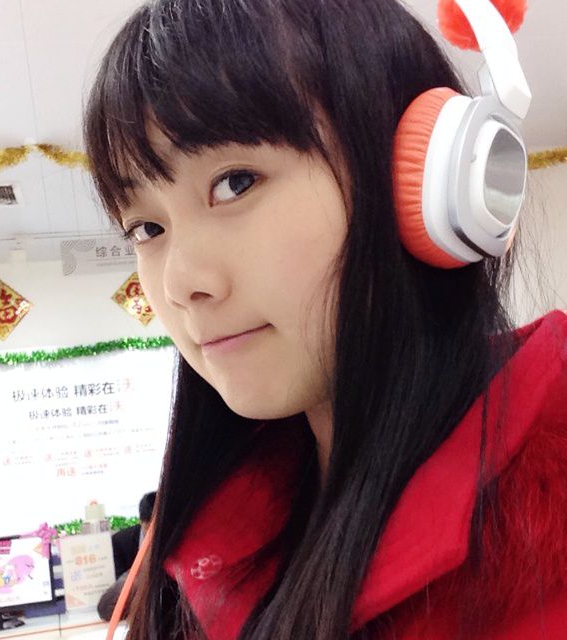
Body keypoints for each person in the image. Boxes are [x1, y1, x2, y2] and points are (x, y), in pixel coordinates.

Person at [83, 0, 567, 638]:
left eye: (235, 183)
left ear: (427, 184)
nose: (179, 285)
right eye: (146, 228)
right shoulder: (206, 544)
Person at [97, 492, 156, 621]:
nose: (153, 534)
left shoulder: (176, 542)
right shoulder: (120, 542)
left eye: (158, 527)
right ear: (141, 521)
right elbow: (112, 602)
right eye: (149, 527)